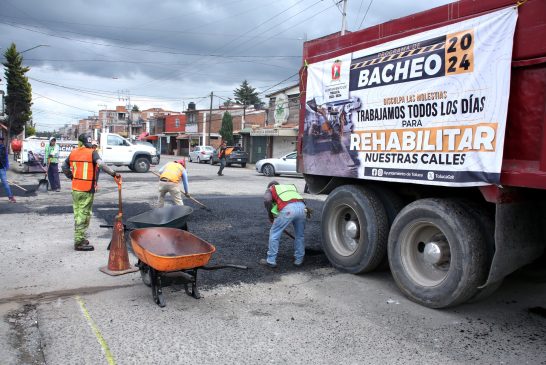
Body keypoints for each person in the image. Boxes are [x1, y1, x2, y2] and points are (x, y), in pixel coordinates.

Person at [62, 133, 121, 251]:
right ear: (86, 143)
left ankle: (80, 237)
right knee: (84, 214)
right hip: (87, 189)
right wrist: (114, 173)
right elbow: (102, 164)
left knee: (78, 213)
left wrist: (71, 176)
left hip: (76, 188)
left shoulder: (73, 152)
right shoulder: (92, 152)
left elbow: (64, 166)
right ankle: (78, 242)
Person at [260, 181, 306, 268]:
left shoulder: (271, 189)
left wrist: (270, 215)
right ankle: (299, 259)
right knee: (300, 235)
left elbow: (268, 200)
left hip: (288, 209)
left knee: (274, 234)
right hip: (303, 208)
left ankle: (271, 260)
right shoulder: (288, 188)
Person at [0, 135, 16, 203]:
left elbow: (6, 157)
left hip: (2, 168)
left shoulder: (3, 148)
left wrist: (7, 166)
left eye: (1, 140)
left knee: (5, 183)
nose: (0, 141)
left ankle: (10, 197)